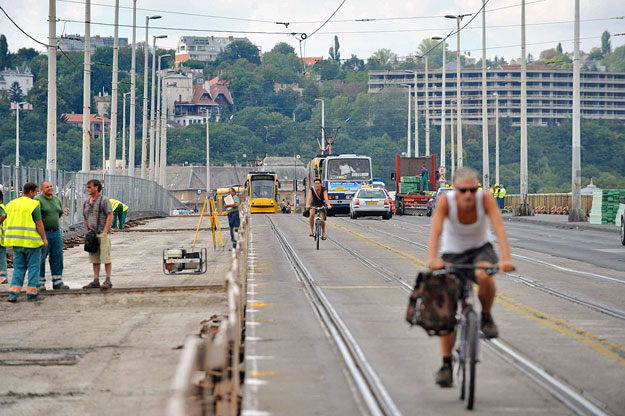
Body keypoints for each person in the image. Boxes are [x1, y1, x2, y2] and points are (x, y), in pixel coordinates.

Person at [427, 167, 514, 387]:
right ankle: (446, 365)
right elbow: (435, 231)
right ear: (455, 189)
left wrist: (505, 259)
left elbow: (499, 229)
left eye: (473, 190)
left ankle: (485, 316)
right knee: (447, 311)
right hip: (453, 252)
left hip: (480, 249)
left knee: (484, 275)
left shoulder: (485, 200)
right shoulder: (447, 203)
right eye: (463, 190)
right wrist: (433, 259)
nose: (468, 195)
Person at [5, 182, 48, 302]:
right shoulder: (33, 204)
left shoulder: (11, 204)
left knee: (18, 268)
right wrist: (44, 238)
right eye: (36, 192)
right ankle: (31, 293)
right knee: (34, 267)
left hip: (16, 242)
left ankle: (13, 293)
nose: (36, 194)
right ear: (31, 192)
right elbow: (38, 223)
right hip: (31, 242)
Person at [35, 181, 69, 291]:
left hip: (56, 232)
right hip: (43, 232)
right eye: (47, 187)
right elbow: (37, 218)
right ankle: (40, 282)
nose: (50, 188)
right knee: (41, 257)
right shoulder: (38, 200)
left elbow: (59, 213)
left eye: (51, 186)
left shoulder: (56, 200)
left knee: (57, 256)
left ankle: (57, 281)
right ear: (42, 189)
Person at [82, 180, 114, 290]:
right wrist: (87, 232)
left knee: (106, 257)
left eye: (89, 187)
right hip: (92, 235)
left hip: (102, 234)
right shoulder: (86, 202)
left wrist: (105, 232)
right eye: (87, 187)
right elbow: (85, 217)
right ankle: (96, 280)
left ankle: (108, 280)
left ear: (97, 188)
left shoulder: (104, 200)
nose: (87, 189)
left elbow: (110, 215)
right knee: (94, 259)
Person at [0, 190, 7, 285]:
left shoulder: (1, 207)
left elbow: (3, 216)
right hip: (2, 237)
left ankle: (3, 277)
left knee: (1, 257)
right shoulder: (4, 207)